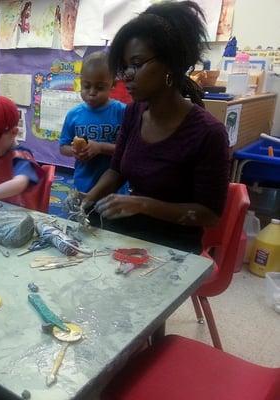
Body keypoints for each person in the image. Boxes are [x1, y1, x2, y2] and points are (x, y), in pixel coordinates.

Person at [82, 1, 229, 253]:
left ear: (170, 64)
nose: (126, 76)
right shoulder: (133, 113)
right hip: (133, 229)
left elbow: (210, 215)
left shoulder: (209, 133)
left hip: (174, 245)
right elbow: (116, 171)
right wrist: (88, 198)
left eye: (136, 64)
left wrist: (143, 204)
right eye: (124, 66)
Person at [59, 51, 126, 193]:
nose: (92, 92)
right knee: (82, 214)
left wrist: (101, 148)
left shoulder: (122, 112)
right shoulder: (73, 115)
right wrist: (74, 151)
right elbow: (63, 147)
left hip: (115, 188)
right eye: (86, 86)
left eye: (100, 87)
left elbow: (129, 149)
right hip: (83, 184)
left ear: (113, 84)